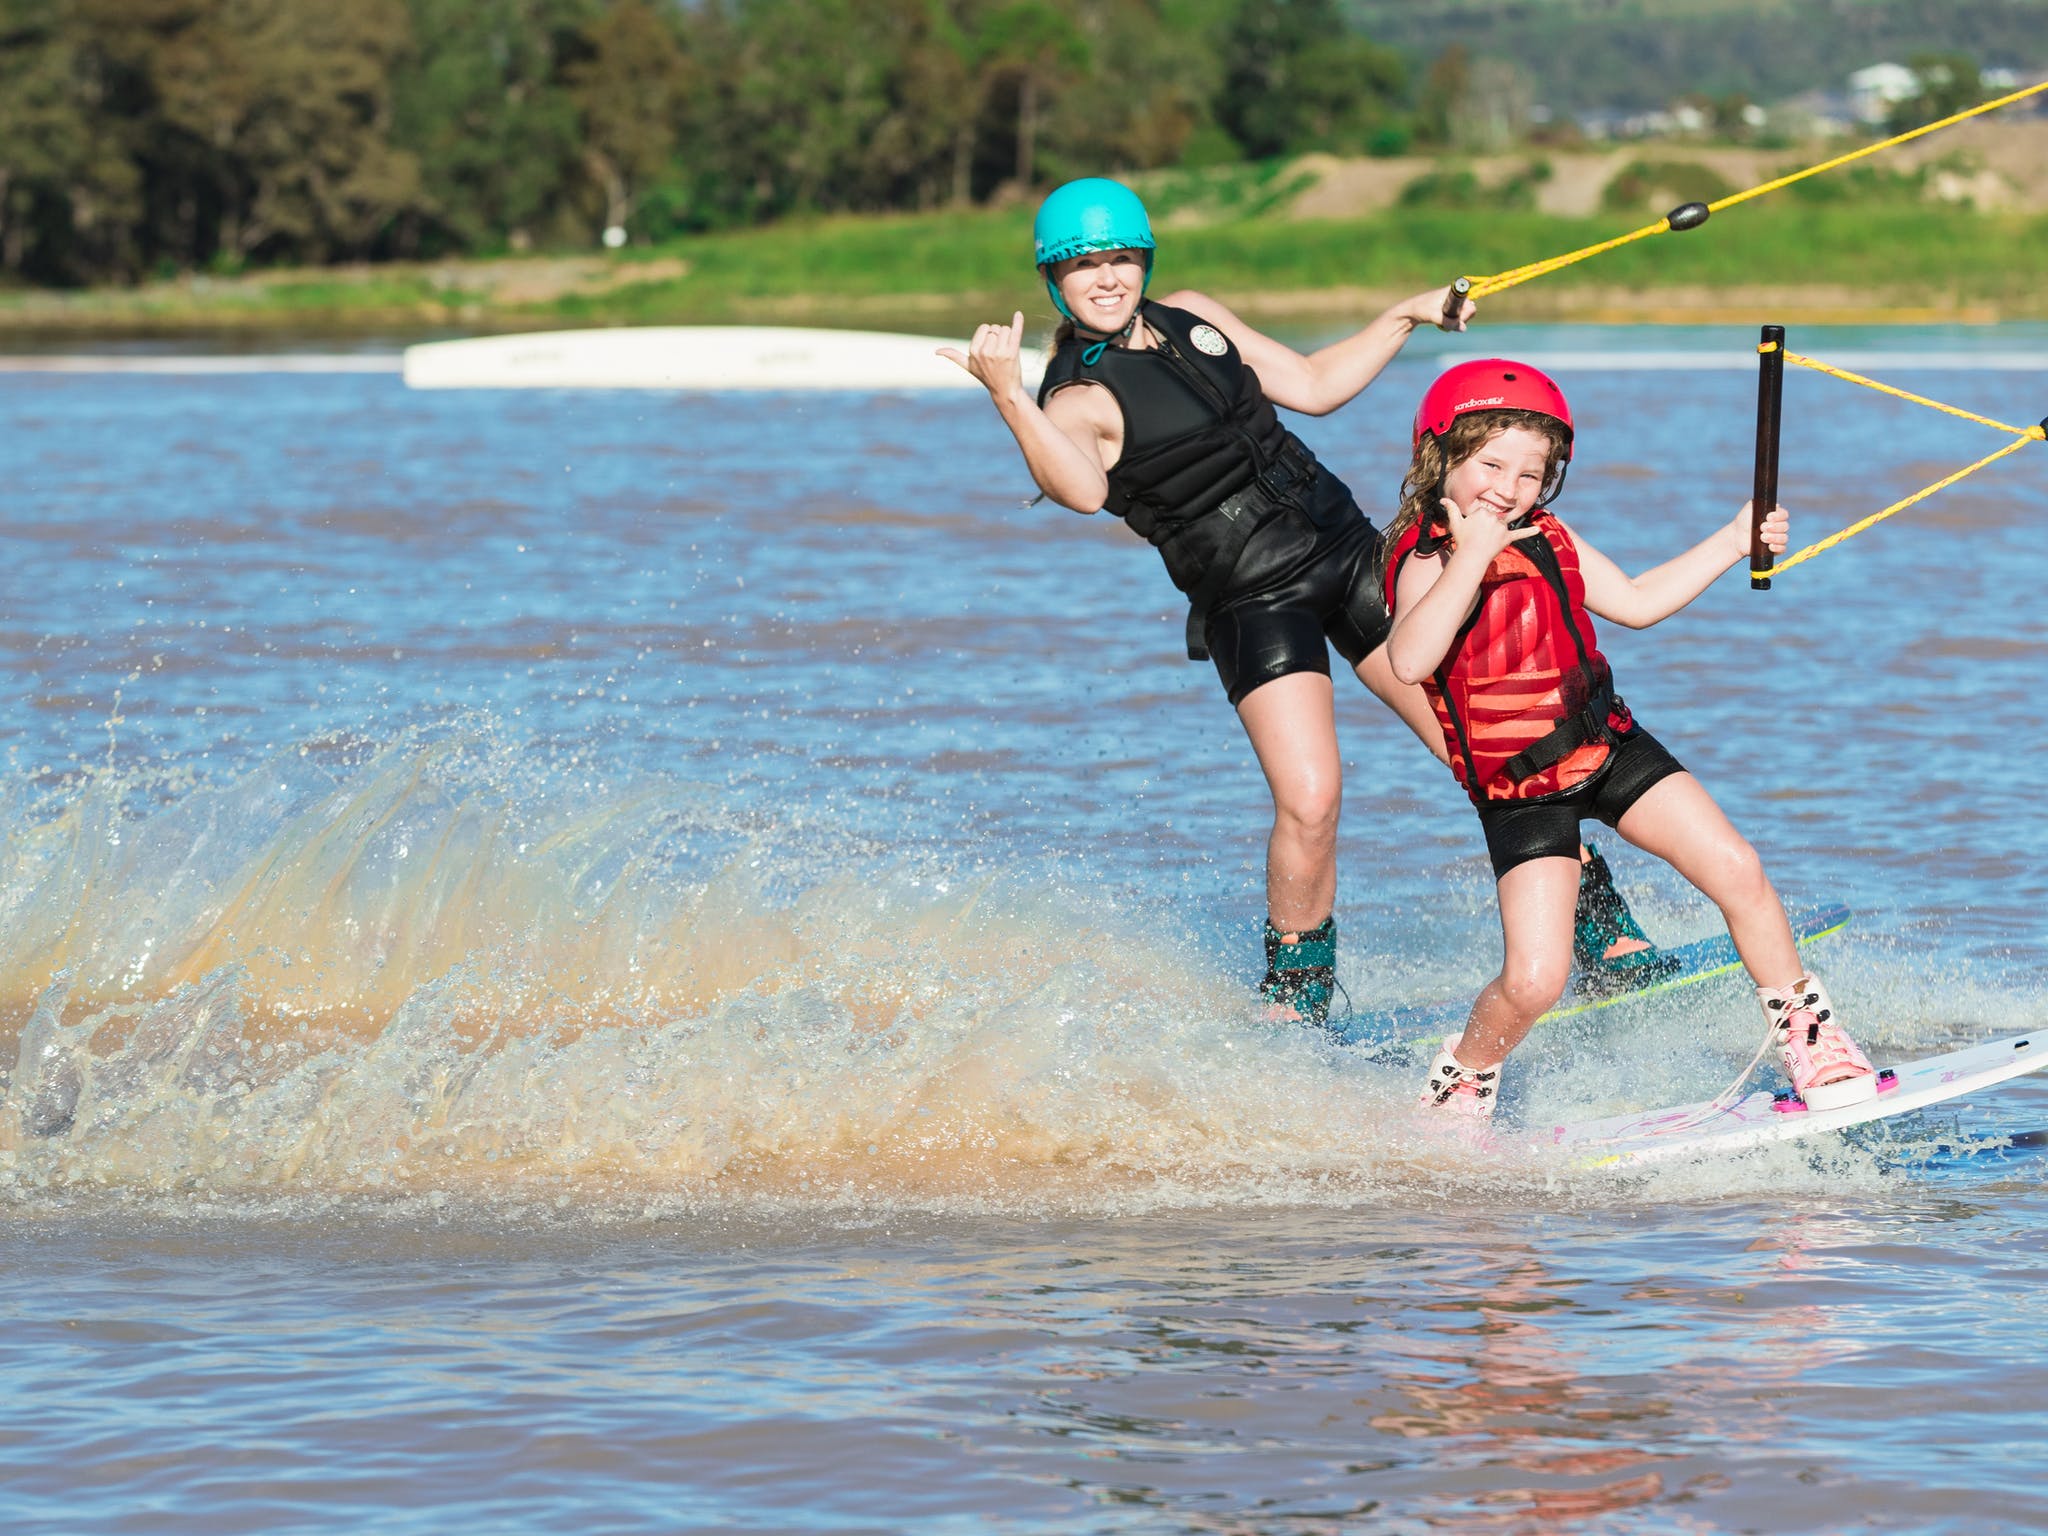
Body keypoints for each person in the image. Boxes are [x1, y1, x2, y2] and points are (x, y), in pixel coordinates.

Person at [939, 176, 1665, 1024]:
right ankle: (1296, 994)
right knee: (1312, 797)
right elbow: (1079, 488)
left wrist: (1406, 314)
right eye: (1082, 265)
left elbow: (1317, 384)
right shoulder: (1074, 396)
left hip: (1348, 551)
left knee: (1485, 734)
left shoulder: (1195, 318)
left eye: (1120, 258)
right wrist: (1006, 394)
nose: (1105, 278)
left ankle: (1602, 930)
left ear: (1145, 260)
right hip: (1252, 603)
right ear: (1053, 281)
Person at [1382, 358, 1880, 1117]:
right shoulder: (1424, 558)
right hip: (1520, 793)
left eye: (1530, 473)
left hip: (1610, 747)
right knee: (1535, 980)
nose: (1507, 488)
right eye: (1490, 465)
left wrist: (1732, 540)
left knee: (1738, 869)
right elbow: (1411, 658)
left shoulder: (1549, 534)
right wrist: (1475, 553)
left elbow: (1640, 603)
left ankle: (1811, 1038)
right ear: (1438, 458)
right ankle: (1462, 1080)